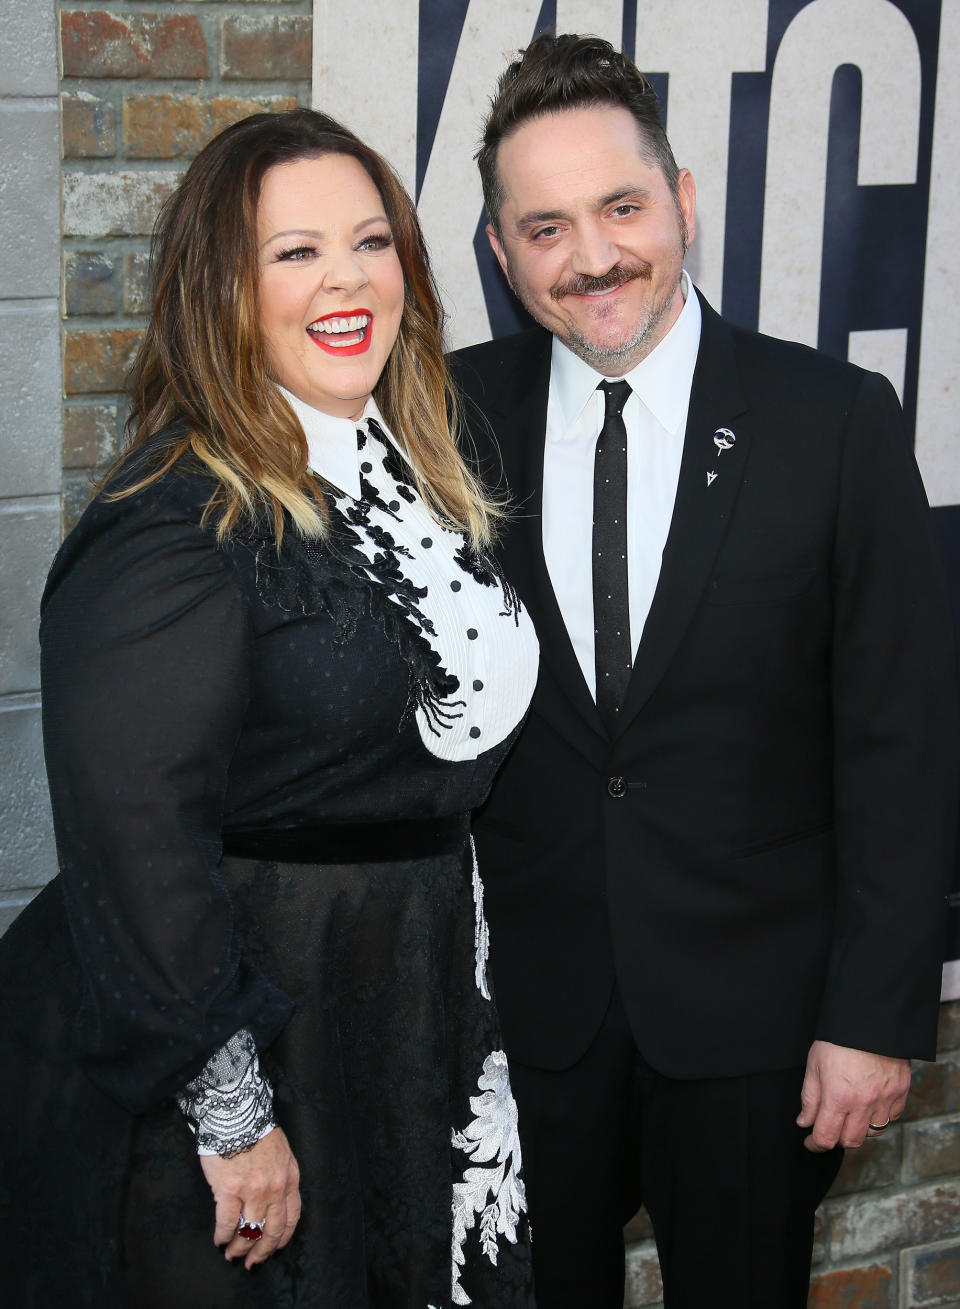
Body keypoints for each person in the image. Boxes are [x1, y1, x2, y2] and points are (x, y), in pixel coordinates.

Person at [452, 31, 958, 1309]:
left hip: (759, 1030)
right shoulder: (446, 421)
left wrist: (877, 1011)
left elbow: (904, 740)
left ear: (681, 202)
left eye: (622, 207)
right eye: (546, 227)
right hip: (527, 1024)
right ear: (502, 253)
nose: (594, 256)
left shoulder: (834, 424)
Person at [0, 108, 538, 1309]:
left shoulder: (414, 459)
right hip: (246, 1047)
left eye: (369, 242)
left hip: (402, 1012)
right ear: (219, 288)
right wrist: (235, 1113)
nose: (343, 280)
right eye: (293, 253)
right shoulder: (174, 519)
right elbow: (138, 833)